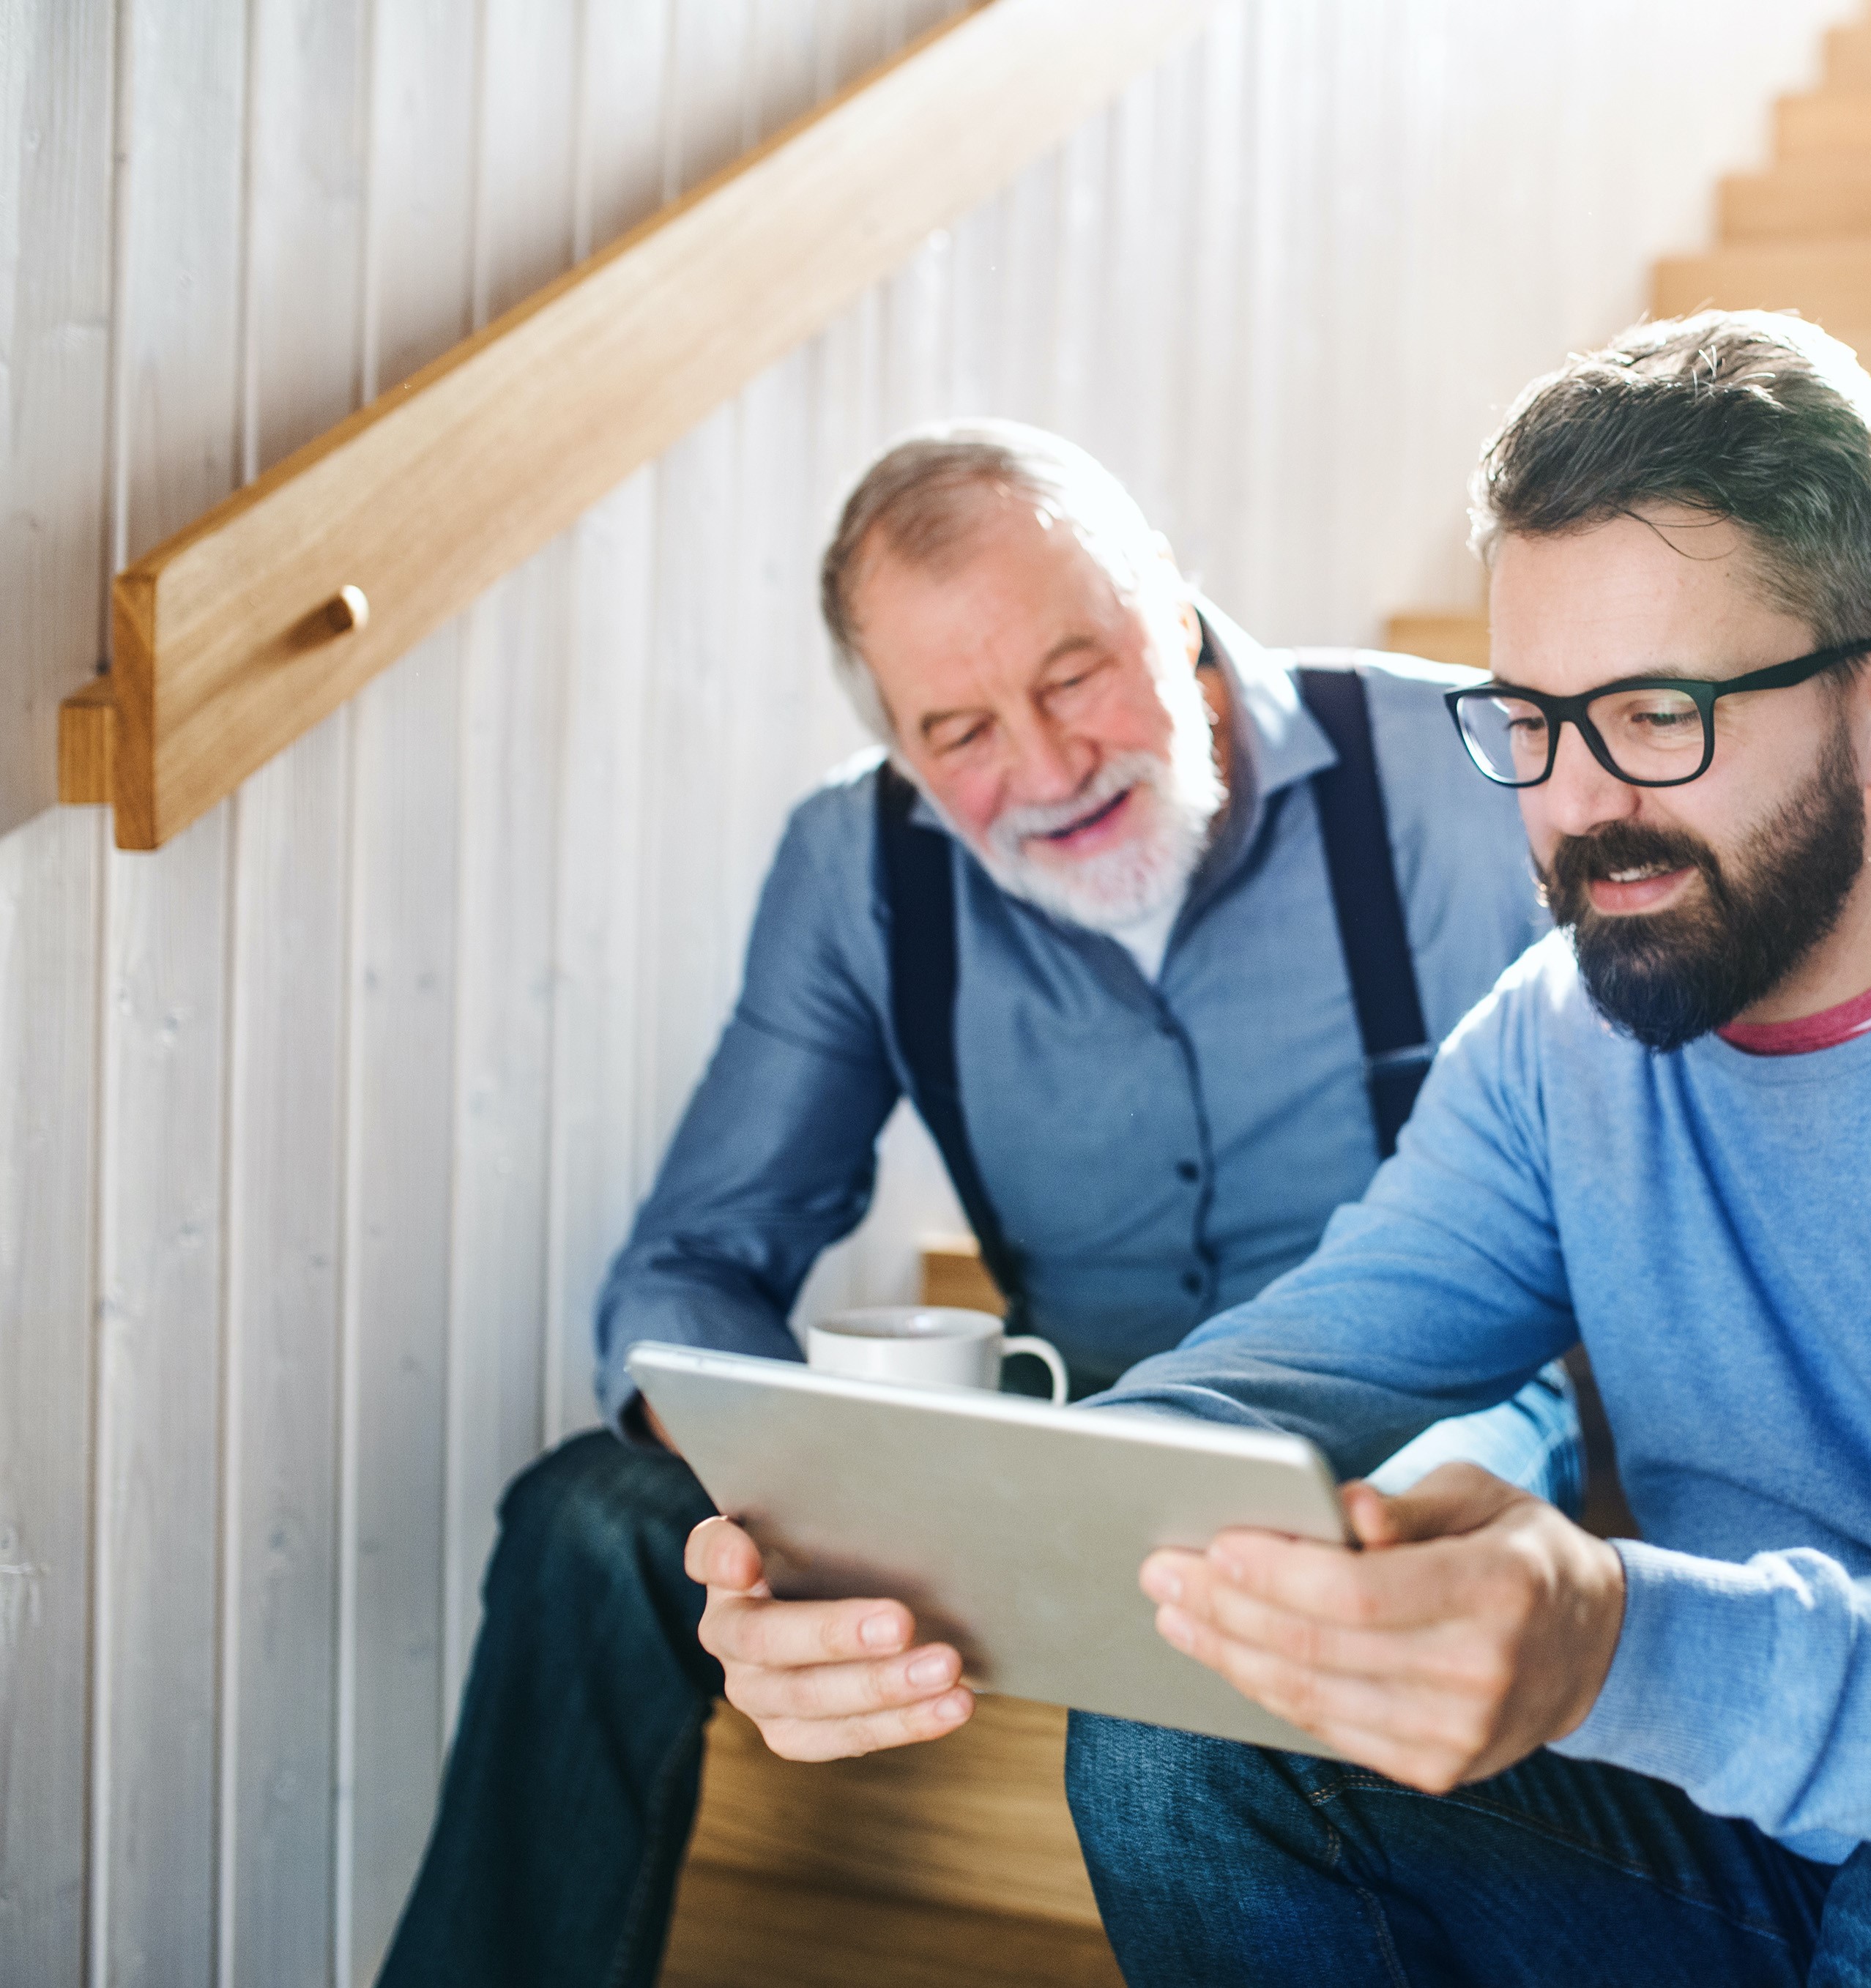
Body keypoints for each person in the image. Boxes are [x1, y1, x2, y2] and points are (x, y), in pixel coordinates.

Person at [691, 312, 1871, 1987]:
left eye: (1657, 717)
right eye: (1531, 723)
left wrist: (1624, 1643)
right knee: (1187, 1728)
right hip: (1773, 1845)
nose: (1578, 806)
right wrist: (911, 1551)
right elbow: (1272, 1382)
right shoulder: (1559, 1044)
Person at [376, 422, 1582, 1987]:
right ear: (896, 744)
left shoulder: (1456, 764)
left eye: (1076, 674)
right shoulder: (854, 864)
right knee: (588, 1519)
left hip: (1420, 1416)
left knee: (1321, 1587)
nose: (1048, 768)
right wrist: (760, 1466)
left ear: (1173, 601)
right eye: (959, 730)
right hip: (1067, 1419)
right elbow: (696, 1256)